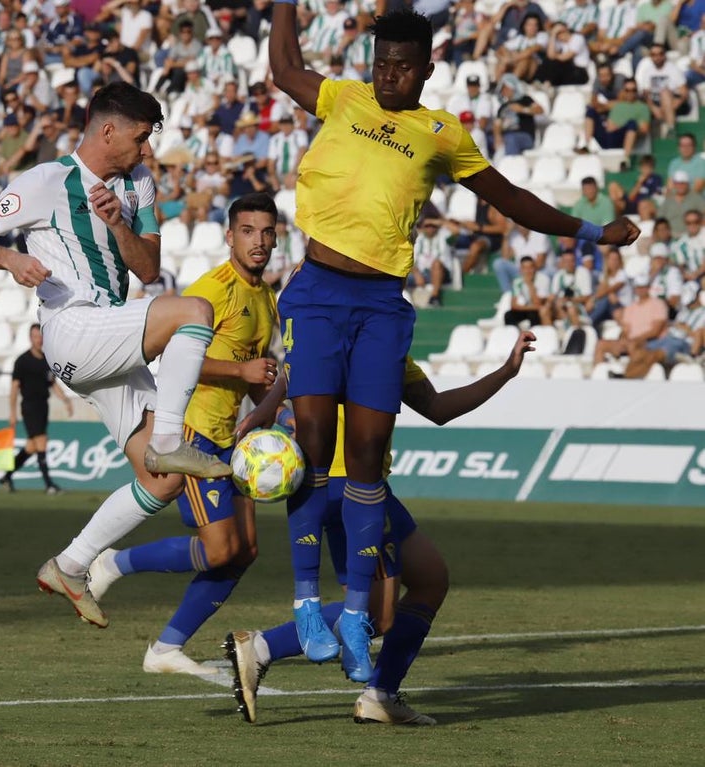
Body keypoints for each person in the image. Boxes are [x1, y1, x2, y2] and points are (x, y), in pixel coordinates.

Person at [267, 3, 637, 683]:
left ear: (427, 68)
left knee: (369, 451)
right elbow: (284, 67)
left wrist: (589, 233)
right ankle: (306, 605)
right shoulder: (342, 98)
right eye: (380, 64)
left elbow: (510, 197)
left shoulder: (442, 133)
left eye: (401, 67)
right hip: (318, 288)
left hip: (381, 302)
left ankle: (354, 613)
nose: (387, 77)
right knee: (314, 440)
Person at [0, 82, 231, 630]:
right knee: (194, 311)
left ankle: (70, 565)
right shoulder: (45, 180)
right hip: (74, 330)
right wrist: (9, 259)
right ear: (109, 131)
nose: (148, 150)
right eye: (142, 137)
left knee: (163, 481)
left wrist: (119, 224)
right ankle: (172, 441)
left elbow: (148, 270)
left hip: (110, 337)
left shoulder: (140, 185)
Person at [225, 330, 537, 726]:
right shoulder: (334, 334)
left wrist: (506, 371)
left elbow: (437, 407)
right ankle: (266, 648)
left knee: (430, 579)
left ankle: (380, 693)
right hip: (343, 487)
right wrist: (270, 406)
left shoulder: (388, 348)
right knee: (381, 614)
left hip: (372, 487)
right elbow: (297, 363)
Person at [85, 194, 281, 675]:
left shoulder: (264, 296)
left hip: (230, 437)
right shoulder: (214, 288)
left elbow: (253, 371)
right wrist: (244, 370)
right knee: (219, 549)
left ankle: (167, 648)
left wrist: (261, 410)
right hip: (192, 432)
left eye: (267, 232)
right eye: (249, 231)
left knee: (245, 552)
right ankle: (113, 563)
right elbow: (171, 351)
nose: (259, 242)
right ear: (230, 236)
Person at [0, 324, 75, 495]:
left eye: (40, 336)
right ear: (30, 338)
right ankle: (49, 485)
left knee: (32, 447)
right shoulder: (22, 361)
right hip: (29, 406)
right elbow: (14, 389)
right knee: (42, 441)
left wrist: (65, 400)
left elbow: (52, 384)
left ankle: (6, 477)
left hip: (43, 406)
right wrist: (12, 413)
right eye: (35, 336)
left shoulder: (48, 359)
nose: (38, 339)